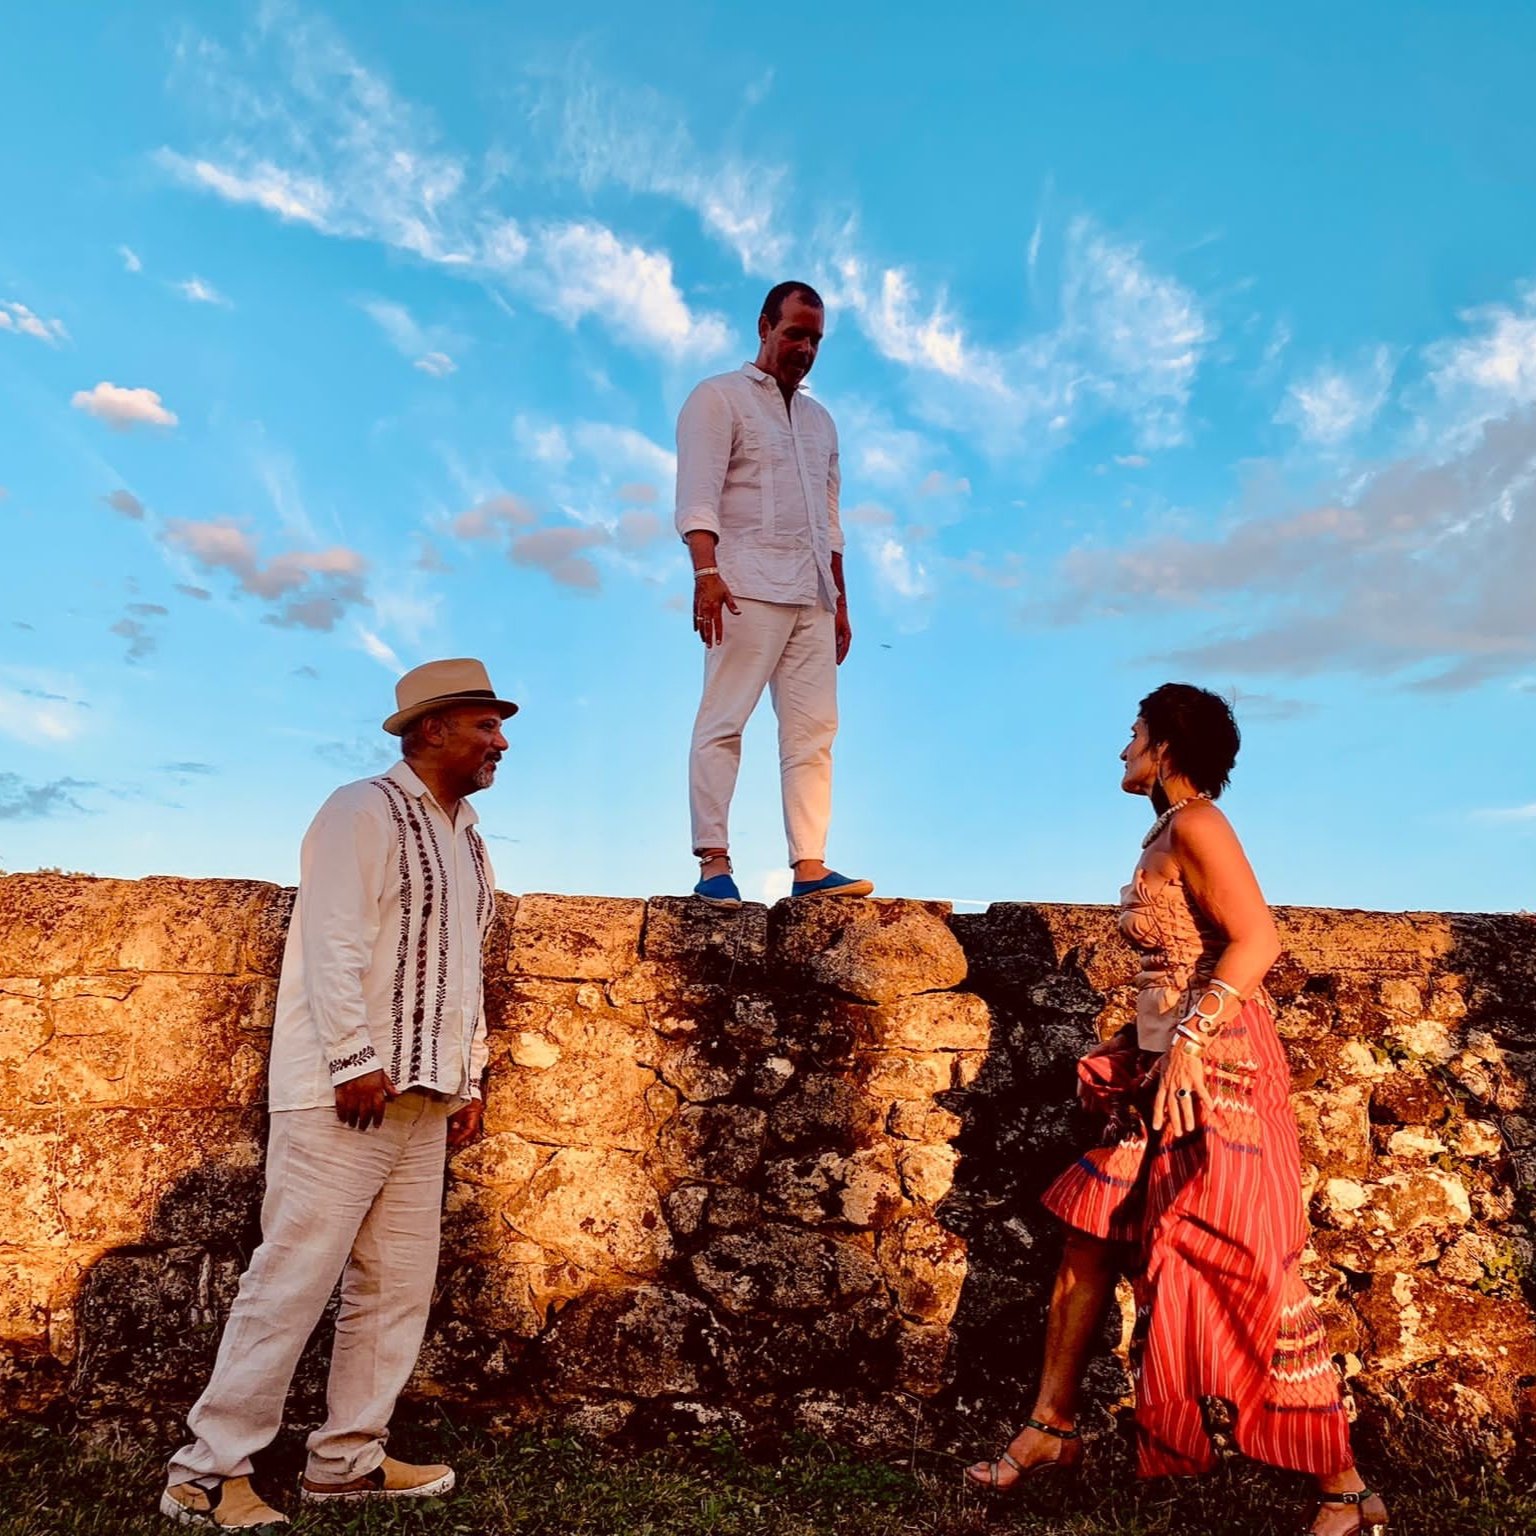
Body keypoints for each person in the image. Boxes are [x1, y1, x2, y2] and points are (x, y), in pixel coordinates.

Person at [965, 684, 1388, 1536]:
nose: (1122, 750)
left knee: (1244, 1258)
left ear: (1165, 749)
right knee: (1090, 1234)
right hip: (1162, 1072)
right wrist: (1145, 1048)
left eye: (1133, 735)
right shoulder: (1161, 832)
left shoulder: (1198, 824)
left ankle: (1344, 1487)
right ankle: (1050, 1428)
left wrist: (1189, 1040)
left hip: (1218, 1071)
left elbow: (1258, 938)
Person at [161, 659, 515, 1529]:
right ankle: (205, 1475)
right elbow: (331, 941)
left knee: (394, 1288)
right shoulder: (361, 808)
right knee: (290, 1280)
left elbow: (467, 971)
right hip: (344, 1093)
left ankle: (346, 1459)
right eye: (485, 725)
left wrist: (469, 1075)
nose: (500, 742)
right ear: (431, 730)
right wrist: (353, 1059)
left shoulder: (470, 840)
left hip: (425, 1099)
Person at [675, 279, 872, 907]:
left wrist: (839, 600)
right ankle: (714, 862)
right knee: (724, 719)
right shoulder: (718, 398)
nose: (805, 350)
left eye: (815, 340)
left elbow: (830, 519)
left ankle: (810, 866)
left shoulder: (820, 422)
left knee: (814, 731)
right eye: (794, 335)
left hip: (812, 594)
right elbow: (698, 495)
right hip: (745, 586)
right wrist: (706, 574)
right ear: (764, 327)